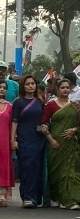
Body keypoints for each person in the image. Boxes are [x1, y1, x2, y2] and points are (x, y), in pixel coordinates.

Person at [41, 77, 80, 209]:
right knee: (55, 172)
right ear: (57, 89)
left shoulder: (75, 106)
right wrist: (50, 139)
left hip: (71, 144)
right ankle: (55, 197)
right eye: (62, 88)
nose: (65, 90)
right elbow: (42, 124)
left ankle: (69, 200)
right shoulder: (51, 105)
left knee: (70, 172)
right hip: (55, 143)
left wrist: (74, 130)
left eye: (67, 88)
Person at [11, 75, 45, 208]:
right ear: (23, 86)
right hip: (24, 138)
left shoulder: (41, 102)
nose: (31, 86)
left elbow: (44, 120)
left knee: (37, 167)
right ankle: (27, 197)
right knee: (26, 167)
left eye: (33, 83)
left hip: (38, 138)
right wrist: (12, 139)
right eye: (28, 84)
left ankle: (36, 197)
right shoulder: (18, 102)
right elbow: (14, 122)